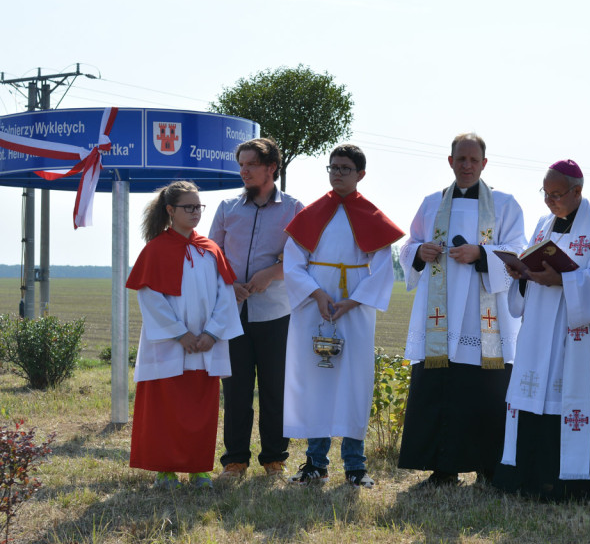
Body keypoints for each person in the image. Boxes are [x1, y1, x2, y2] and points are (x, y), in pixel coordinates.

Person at [493, 160, 590, 501]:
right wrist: (523, 275)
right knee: (542, 403)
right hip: (542, 337)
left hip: (584, 340)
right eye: (545, 193)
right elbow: (531, 273)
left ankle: (583, 488)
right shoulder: (542, 225)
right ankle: (537, 481)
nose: (549, 201)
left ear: (577, 191)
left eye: (557, 194)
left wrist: (563, 279)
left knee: (579, 404)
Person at [398, 132, 527, 486]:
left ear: (484, 163)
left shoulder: (504, 204)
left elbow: (518, 251)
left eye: (473, 160)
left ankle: (488, 468)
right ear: (450, 161)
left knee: (486, 392)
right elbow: (408, 245)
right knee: (442, 389)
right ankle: (444, 469)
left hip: (484, 316)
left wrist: (481, 253)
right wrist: (419, 251)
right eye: (461, 159)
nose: (467, 165)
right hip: (439, 315)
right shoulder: (432, 203)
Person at [281, 144, 404, 487]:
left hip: (355, 310)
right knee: (315, 382)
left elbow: (383, 268)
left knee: (354, 382)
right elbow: (293, 262)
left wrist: (353, 301)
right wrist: (318, 294)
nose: (337, 173)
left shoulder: (371, 215)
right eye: (333, 167)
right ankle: (315, 463)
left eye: (345, 168)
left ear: (360, 174)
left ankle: (355, 465)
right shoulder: (313, 213)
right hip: (314, 307)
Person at [126, 181, 243, 489]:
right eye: (188, 207)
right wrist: (180, 334)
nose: (195, 212)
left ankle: (198, 469)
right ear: (170, 210)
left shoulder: (210, 250)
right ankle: (165, 471)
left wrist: (212, 333)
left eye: (198, 207)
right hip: (169, 345)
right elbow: (150, 297)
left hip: (205, 344)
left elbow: (225, 296)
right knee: (166, 408)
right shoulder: (155, 249)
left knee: (200, 409)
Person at [209, 137, 304, 481]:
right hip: (232, 311)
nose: (244, 171)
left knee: (275, 388)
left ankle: (274, 460)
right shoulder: (226, 208)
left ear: (271, 168)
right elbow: (212, 254)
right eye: (241, 165)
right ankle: (234, 461)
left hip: (276, 312)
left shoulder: (294, 209)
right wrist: (228, 282)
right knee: (235, 390)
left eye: (251, 164)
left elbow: (303, 256)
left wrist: (272, 273)